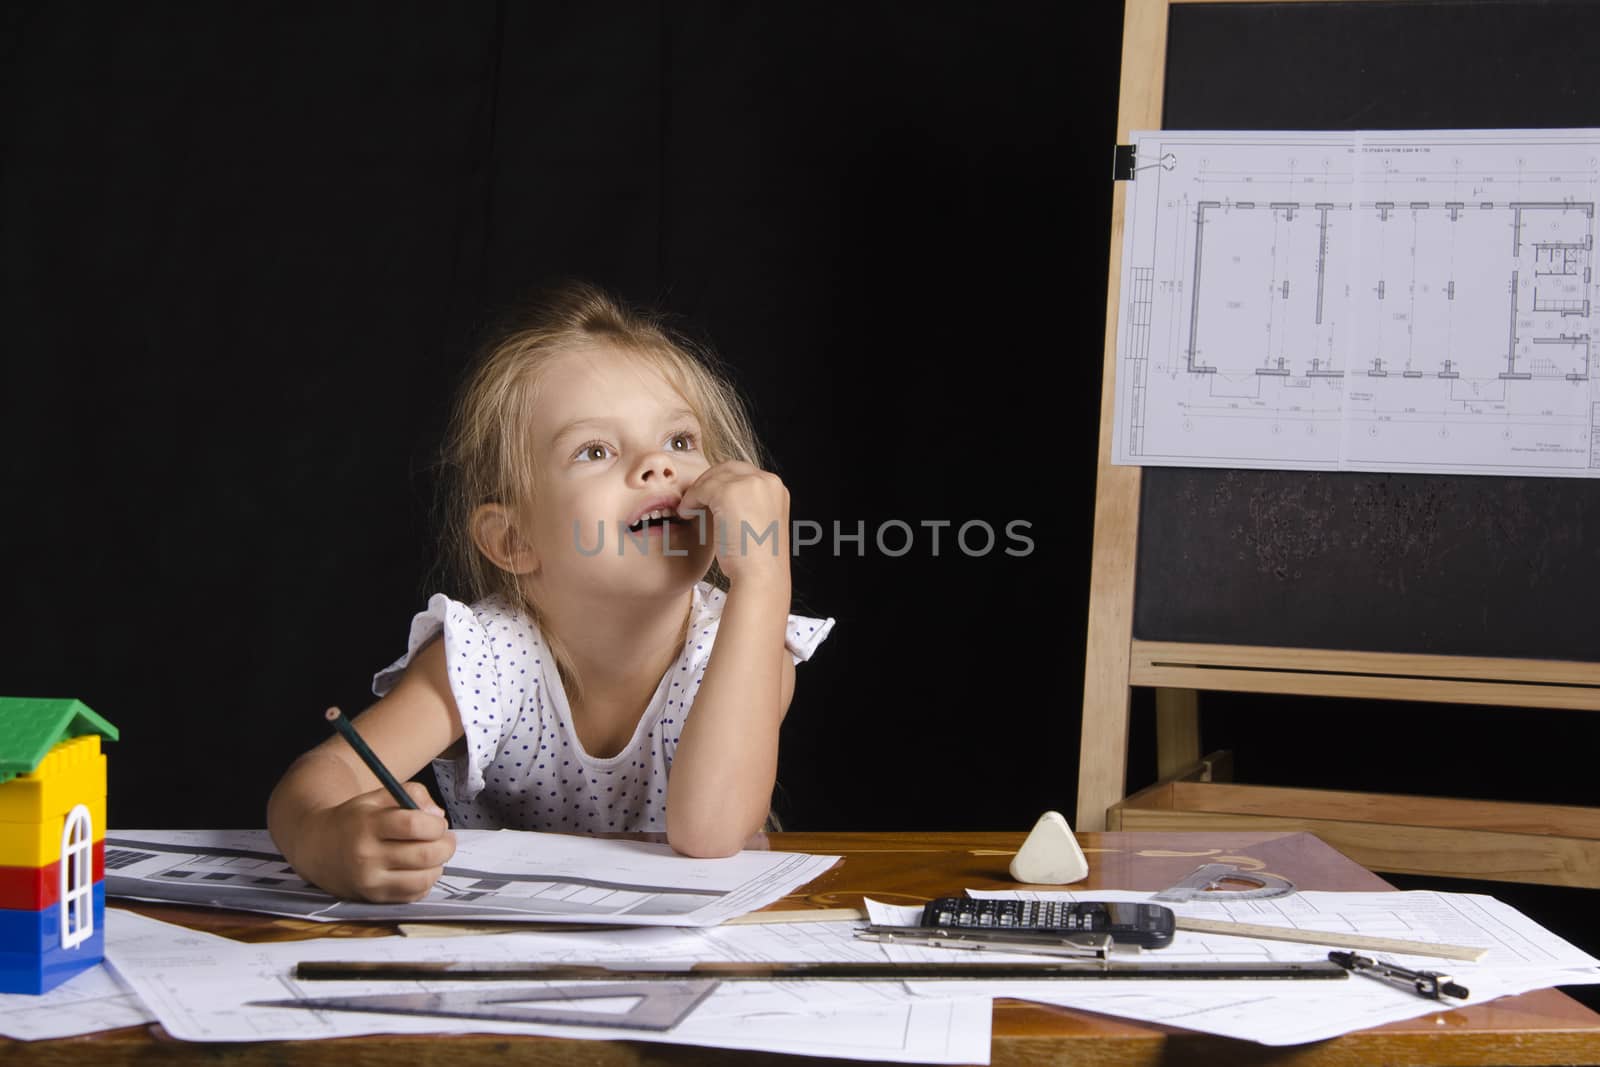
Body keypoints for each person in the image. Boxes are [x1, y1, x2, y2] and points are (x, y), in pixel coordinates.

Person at [267, 283, 834, 902]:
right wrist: (327, 840)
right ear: (513, 541)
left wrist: (763, 576)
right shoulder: (489, 655)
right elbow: (318, 781)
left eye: (679, 442)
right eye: (595, 450)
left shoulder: (750, 636)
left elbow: (710, 832)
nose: (658, 465)